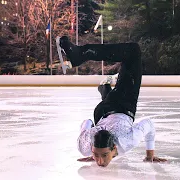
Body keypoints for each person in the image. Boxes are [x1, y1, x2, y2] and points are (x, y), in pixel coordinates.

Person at [58, 36, 167, 167]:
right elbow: (88, 123)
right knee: (122, 76)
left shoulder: (86, 146)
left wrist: (93, 145)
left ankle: (82, 54)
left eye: (102, 155)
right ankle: (105, 88)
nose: (99, 161)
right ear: (114, 148)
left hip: (120, 105)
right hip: (104, 110)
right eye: (97, 155)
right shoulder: (124, 141)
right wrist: (150, 156)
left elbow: (87, 123)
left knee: (133, 51)